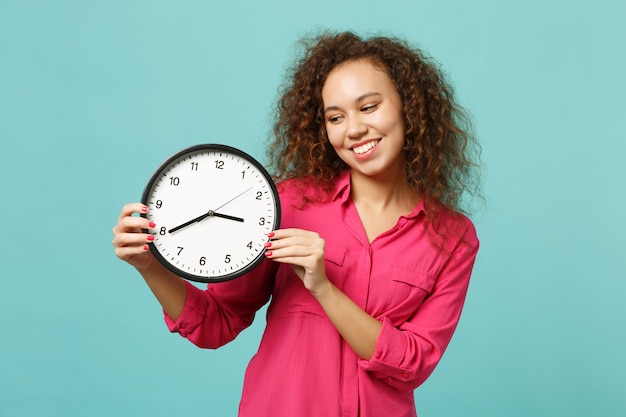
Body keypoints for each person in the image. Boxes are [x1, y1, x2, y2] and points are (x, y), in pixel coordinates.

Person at [112, 31, 481, 417]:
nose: (353, 129)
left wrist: (323, 288)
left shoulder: (452, 238)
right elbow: (215, 323)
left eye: (368, 107)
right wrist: (149, 266)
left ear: (410, 108)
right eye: (335, 117)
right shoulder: (286, 203)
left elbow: (411, 364)